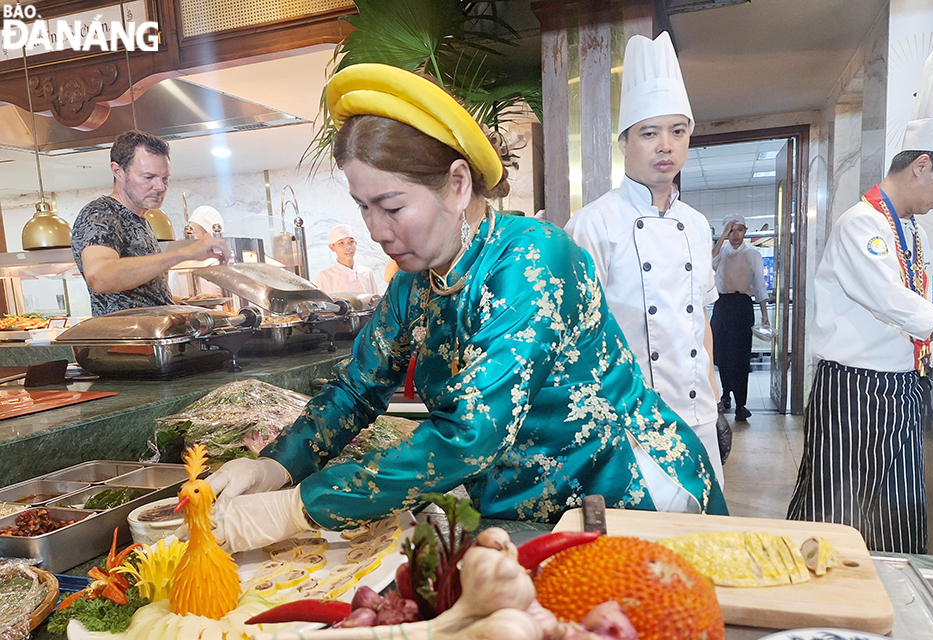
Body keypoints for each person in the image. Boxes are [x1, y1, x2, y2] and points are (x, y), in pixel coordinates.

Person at [197, 62, 726, 554]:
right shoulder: (416, 283)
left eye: (392, 207)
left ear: (456, 184)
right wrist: (273, 467)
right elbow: (358, 388)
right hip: (525, 511)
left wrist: (302, 507)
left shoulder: (534, 259)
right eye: (363, 208)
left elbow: (470, 434)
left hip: (620, 494)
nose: (376, 232)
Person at [787, 29, 933, 553]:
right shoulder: (862, 224)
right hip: (854, 388)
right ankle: (819, 605)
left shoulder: (911, 230)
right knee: (836, 505)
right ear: (922, 164)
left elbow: (918, 304)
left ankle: (893, 594)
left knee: (897, 509)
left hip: (899, 388)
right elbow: (894, 302)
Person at [565, 33, 723, 486]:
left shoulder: (695, 223)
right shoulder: (593, 224)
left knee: (702, 530)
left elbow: (700, 317)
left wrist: (710, 382)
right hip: (629, 417)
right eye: (649, 133)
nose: (665, 146)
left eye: (678, 131)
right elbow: (576, 335)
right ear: (625, 142)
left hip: (698, 413)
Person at [71, 131, 230, 316]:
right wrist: (184, 253)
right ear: (118, 171)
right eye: (148, 177)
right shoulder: (100, 214)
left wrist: (185, 302)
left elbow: (140, 296)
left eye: (165, 178)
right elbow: (100, 277)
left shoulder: (140, 218)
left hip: (150, 339)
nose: (160, 187)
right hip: (127, 342)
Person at [711, 214, 770, 421]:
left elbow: (760, 286)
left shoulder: (753, 254)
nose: (735, 235)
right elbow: (710, 261)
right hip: (722, 306)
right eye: (731, 230)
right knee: (721, 355)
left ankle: (741, 404)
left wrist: (764, 314)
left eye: (739, 230)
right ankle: (725, 393)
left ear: (745, 231)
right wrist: (722, 235)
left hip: (743, 306)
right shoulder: (722, 253)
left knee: (741, 357)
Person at [314, 224, 381, 295]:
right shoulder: (324, 277)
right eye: (341, 243)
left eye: (351, 242)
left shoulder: (367, 273)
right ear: (332, 247)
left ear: (356, 243)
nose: (348, 247)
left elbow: (375, 303)